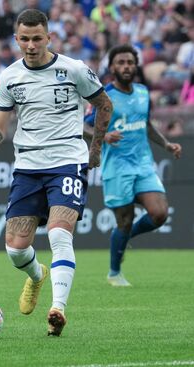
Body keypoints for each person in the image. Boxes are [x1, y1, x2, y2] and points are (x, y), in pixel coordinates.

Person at [0, 9, 113, 337]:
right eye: (24, 39)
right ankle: (37, 275)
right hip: (27, 168)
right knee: (15, 249)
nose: (31, 45)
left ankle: (58, 309)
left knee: (59, 233)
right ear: (16, 39)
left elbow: (104, 105)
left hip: (67, 162)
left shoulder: (73, 70)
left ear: (49, 37)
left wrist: (95, 149)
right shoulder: (10, 78)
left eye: (37, 38)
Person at [84, 44, 182, 287]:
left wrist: (166, 144)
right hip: (116, 168)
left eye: (130, 62)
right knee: (124, 222)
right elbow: (82, 125)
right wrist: (103, 136)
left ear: (136, 65)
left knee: (159, 213)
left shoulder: (142, 92)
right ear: (112, 67)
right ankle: (114, 272)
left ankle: (127, 237)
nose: (126, 66)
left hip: (143, 165)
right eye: (121, 63)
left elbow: (145, 124)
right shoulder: (103, 98)